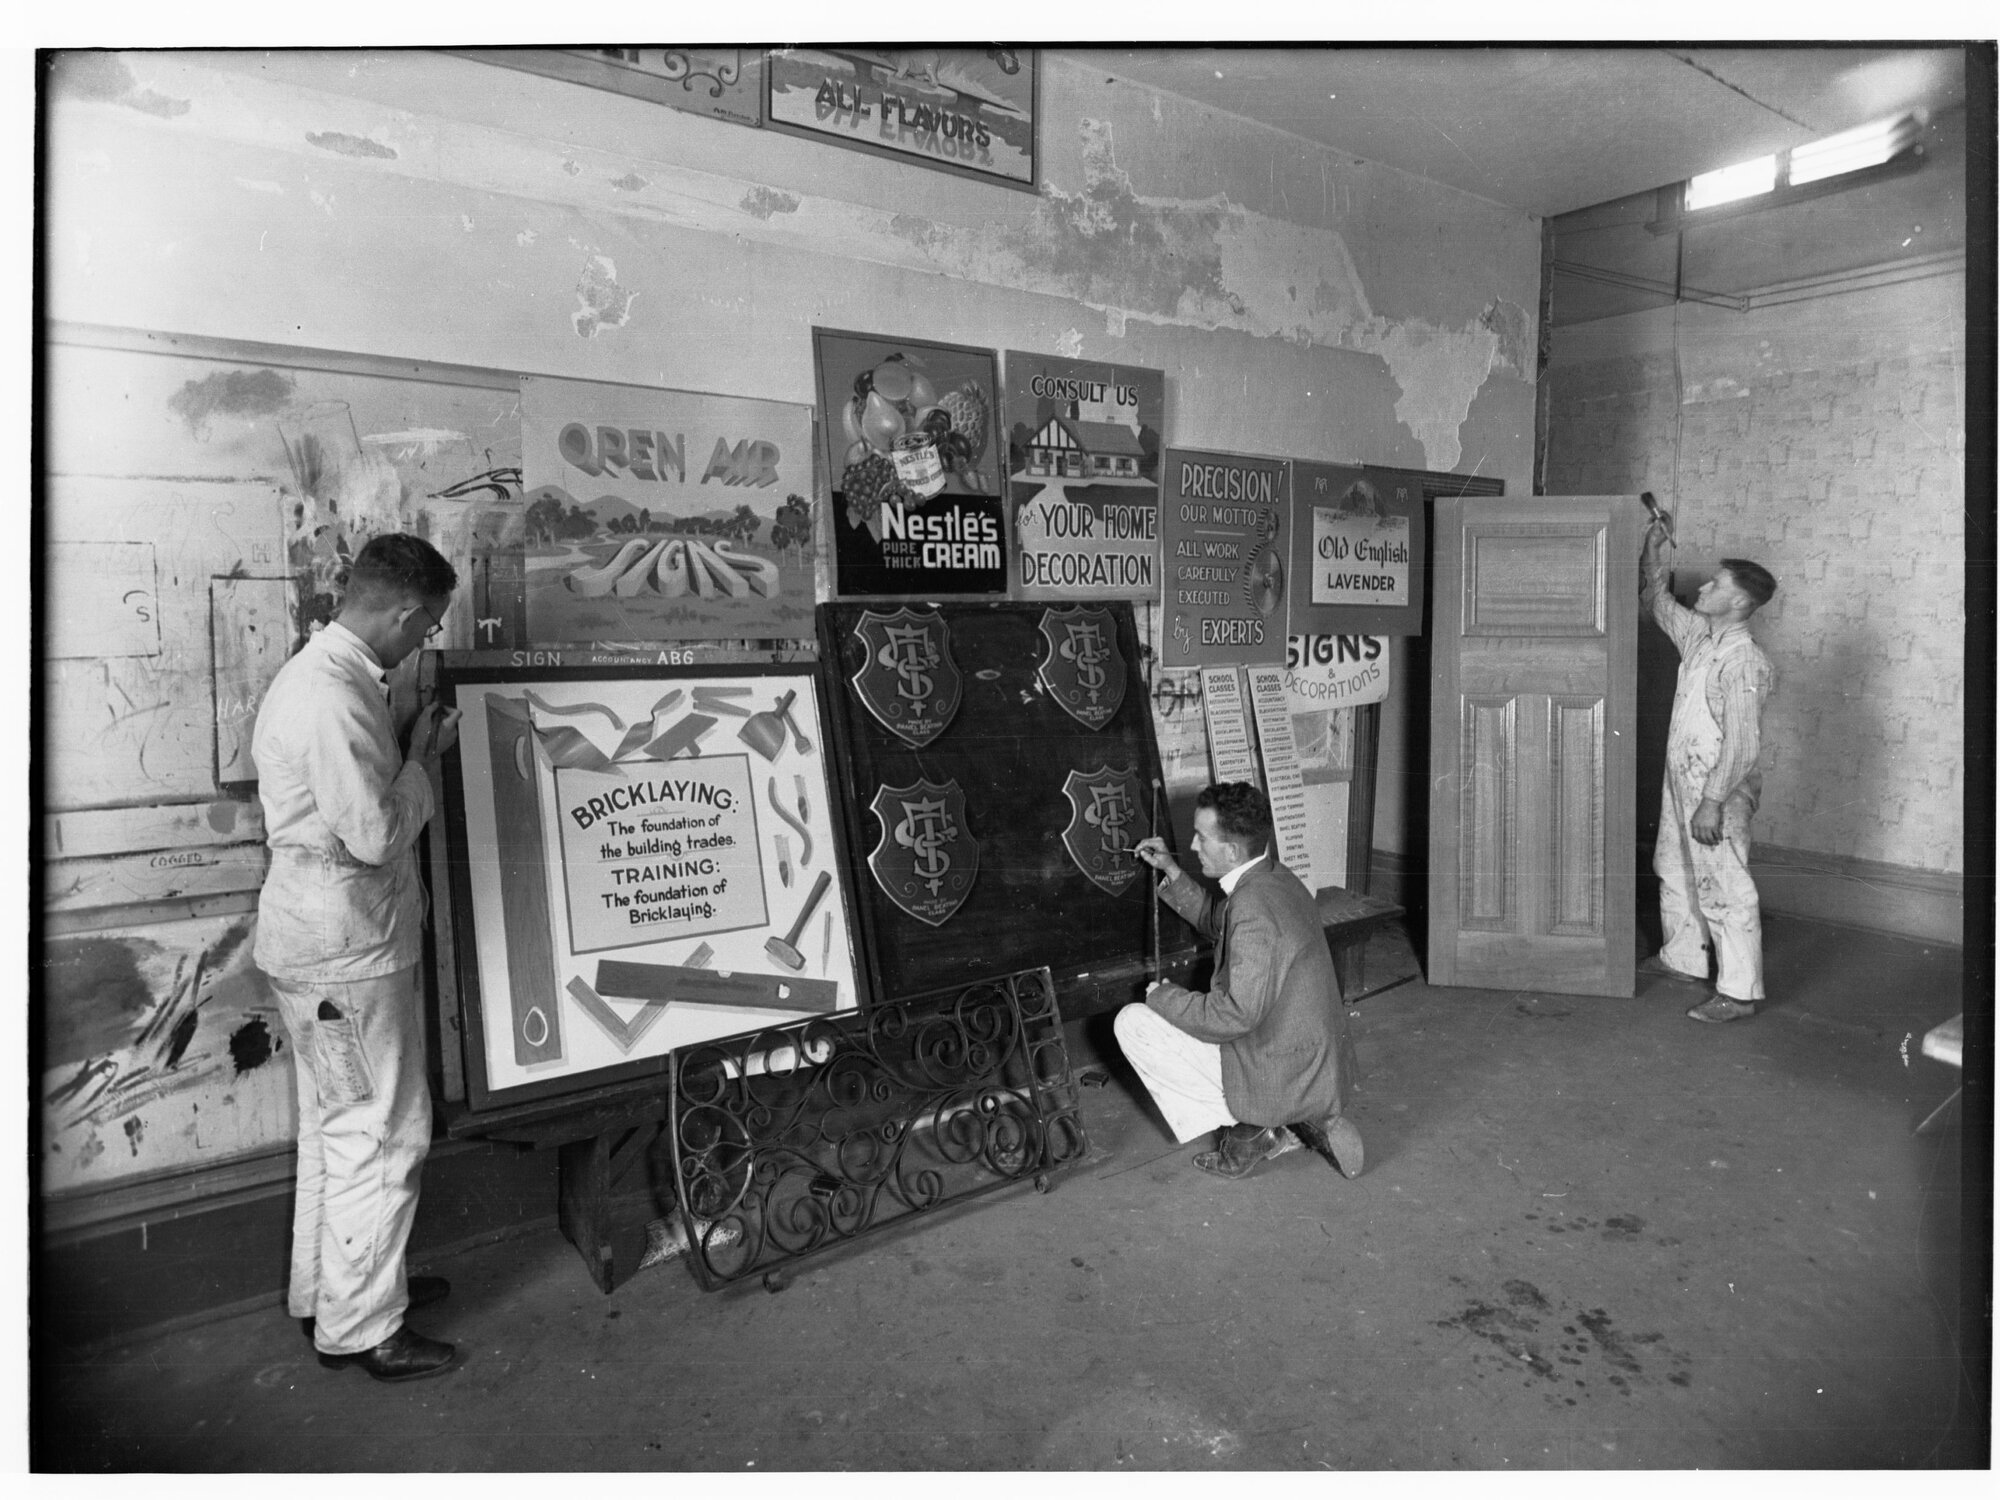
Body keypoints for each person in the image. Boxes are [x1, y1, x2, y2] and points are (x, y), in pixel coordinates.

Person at [252, 533, 463, 1382]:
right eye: (429, 628)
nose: (425, 644)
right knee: (382, 1134)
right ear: (406, 612)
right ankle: (370, 1328)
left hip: (316, 950)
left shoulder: (317, 676)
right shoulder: (336, 696)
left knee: (337, 1127)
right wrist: (420, 760)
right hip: (348, 956)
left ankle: (331, 1299)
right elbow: (375, 833)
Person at [1115, 782, 1362, 1180]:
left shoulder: (1253, 909)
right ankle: (1299, 1117)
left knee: (1133, 1022)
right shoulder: (1272, 876)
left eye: (1201, 837)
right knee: (1183, 1013)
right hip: (1312, 1060)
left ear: (1231, 851)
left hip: (1282, 1067)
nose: (1192, 846)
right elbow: (1221, 922)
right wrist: (1171, 871)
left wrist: (1163, 998)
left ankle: (1256, 1127)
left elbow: (1234, 1015)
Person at [1639, 515, 1778, 1023]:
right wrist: (1651, 551)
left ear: (1740, 601)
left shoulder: (1745, 661)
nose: (1703, 585)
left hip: (1718, 789)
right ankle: (1682, 958)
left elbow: (1742, 747)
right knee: (1674, 865)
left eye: (1716, 583)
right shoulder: (1701, 638)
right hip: (1682, 777)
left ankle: (1739, 994)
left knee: (1725, 884)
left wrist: (1712, 801)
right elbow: (1657, 602)